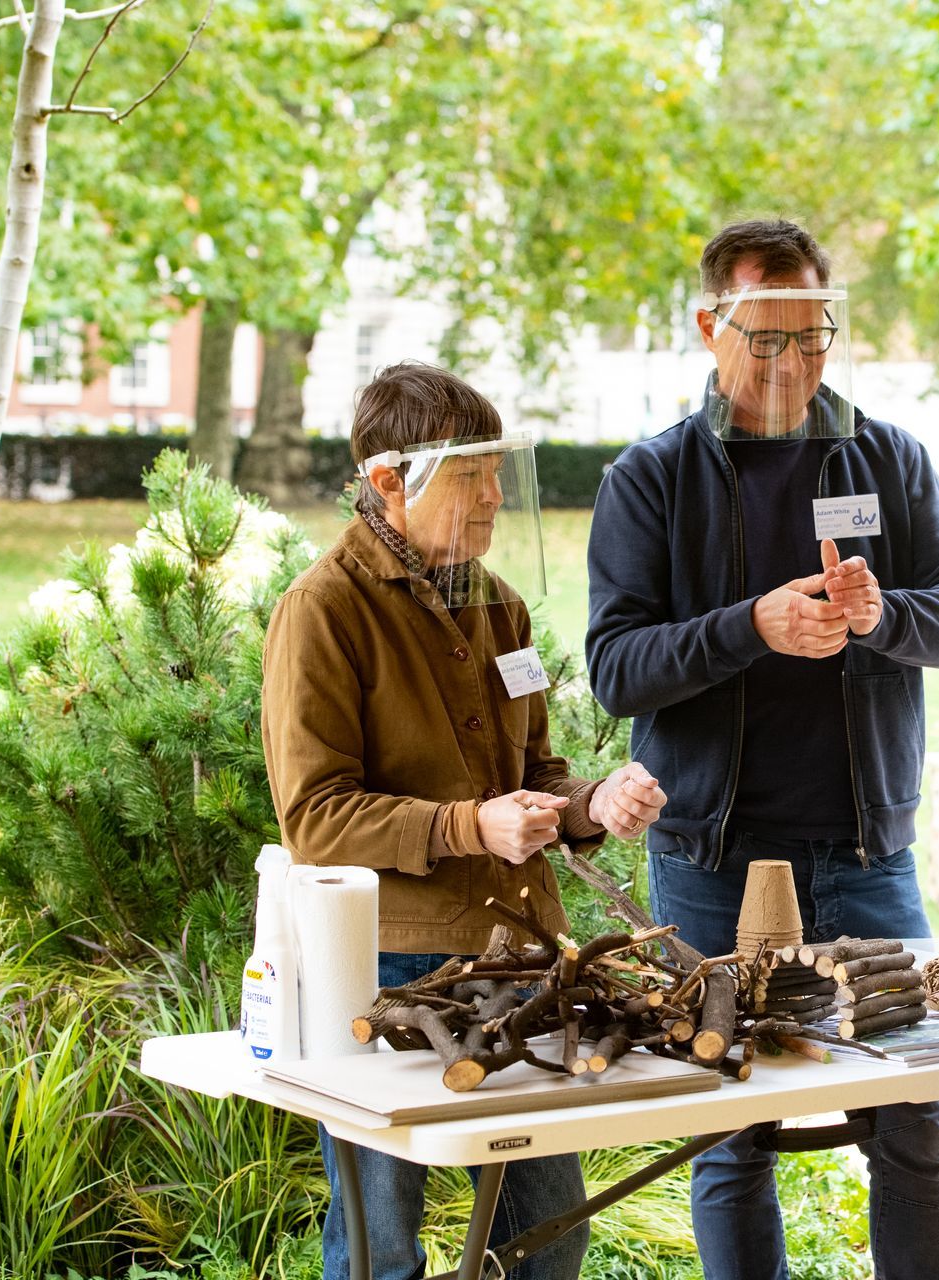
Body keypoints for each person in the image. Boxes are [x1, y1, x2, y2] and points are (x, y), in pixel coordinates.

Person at [584, 218, 939, 1280]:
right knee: (732, 1136)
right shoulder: (651, 479)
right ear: (708, 327)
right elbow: (617, 667)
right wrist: (747, 627)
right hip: (709, 861)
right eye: (765, 341)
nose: (792, 365)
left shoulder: (887, 457)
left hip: (868, 858)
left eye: (814, 338)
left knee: (912, 1121)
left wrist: (884, 616)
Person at [262, 361, 668, 1280]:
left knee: (551, 1234)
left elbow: (532, 775)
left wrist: (587, 805)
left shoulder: (499, 603)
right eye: (470, 473)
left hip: (523, 959)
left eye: (497, 472)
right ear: (388, 482)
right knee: (380, 1243)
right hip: (383, 971)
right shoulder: (321, 612)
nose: (492, 494)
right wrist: (467, 828)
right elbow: (315, 821)